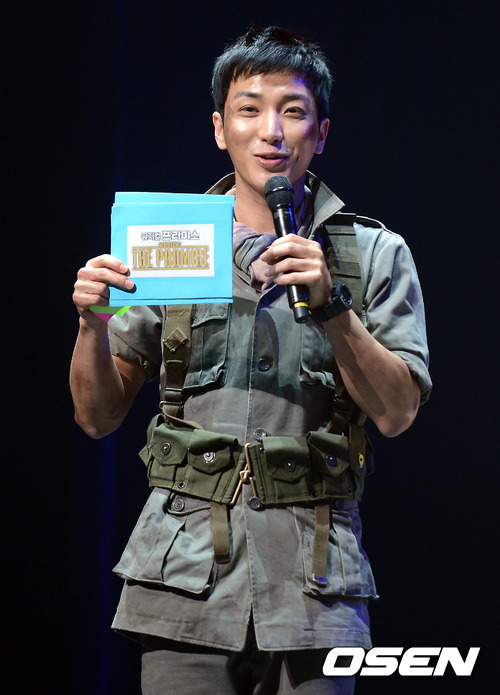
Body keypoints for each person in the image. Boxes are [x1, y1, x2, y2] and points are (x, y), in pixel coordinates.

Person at [70, 25, 431, 695]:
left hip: (314, 592)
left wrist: (333, 305)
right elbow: (96, 417)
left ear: (321, 132)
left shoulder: (375, 253)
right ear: (219, 128)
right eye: (249, 109)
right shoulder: (164, 244)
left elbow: (397, 413)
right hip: (184, 586)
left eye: (293, 111)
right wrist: (94, 324)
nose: (272, 131)